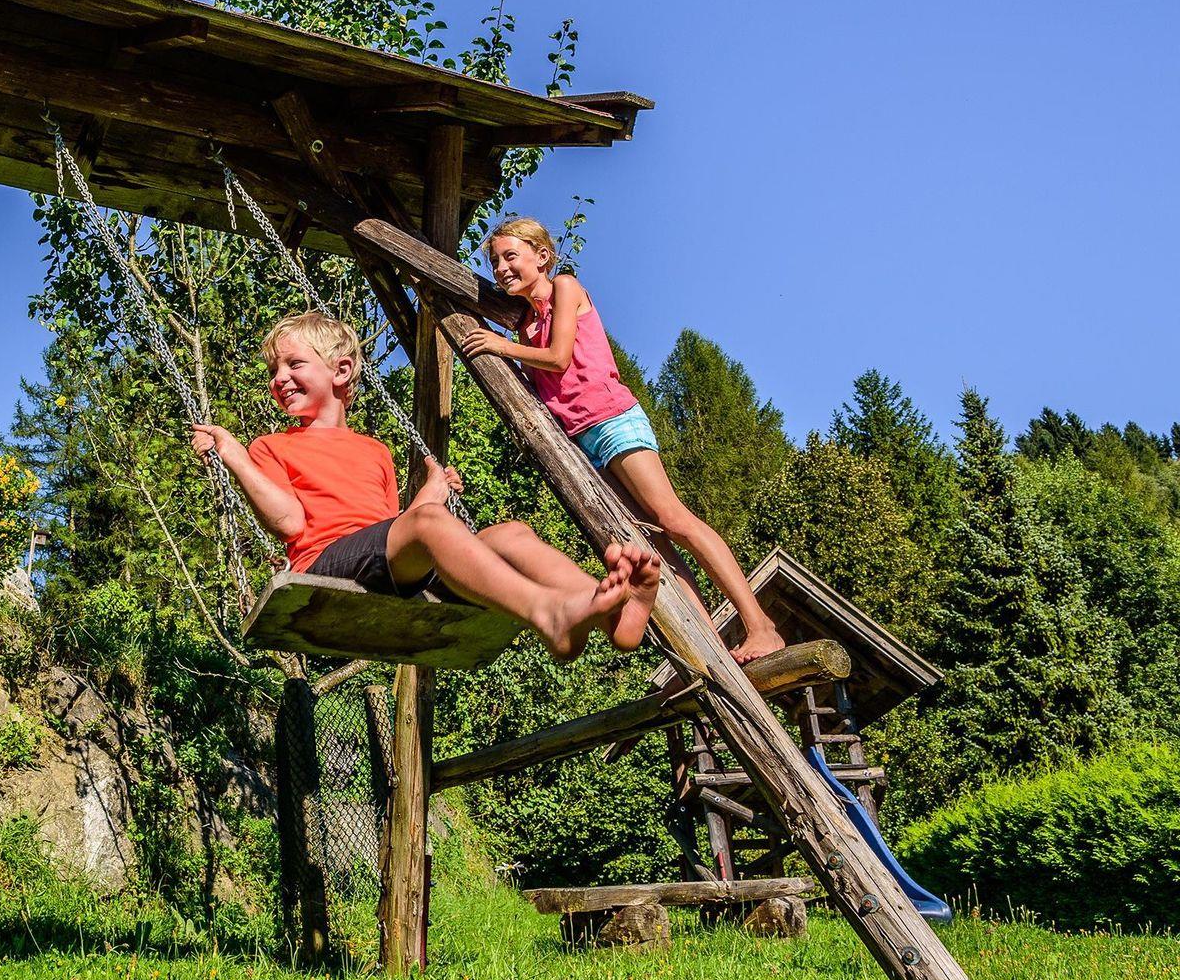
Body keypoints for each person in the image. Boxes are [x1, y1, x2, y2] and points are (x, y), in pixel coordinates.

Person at [192, 310, 658, 661]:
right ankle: (547, 612)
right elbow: (289, 522)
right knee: (429, 523)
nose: (280, 379)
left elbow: (391, 529)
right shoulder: (271, 447)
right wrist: (234, 455)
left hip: (384, 570)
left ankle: (608, 612)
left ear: (341, 371)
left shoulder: (375, 451)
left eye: (293, 364)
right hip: (324, 565)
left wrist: (430, 496)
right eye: (274, 371)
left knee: (510, 534)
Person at [457, 215, 786, 662]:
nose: (501, 268)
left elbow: (559, 357)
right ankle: (714, 648)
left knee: (673, 519)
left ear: (542, 256)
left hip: (612, 420)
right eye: (495, 262)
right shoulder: (526, 324)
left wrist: (499, 346)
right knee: (652, 545)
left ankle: (760, 625)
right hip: (583, 441)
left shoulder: (565, 288)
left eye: (510, 256)